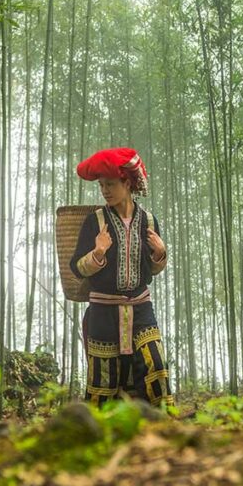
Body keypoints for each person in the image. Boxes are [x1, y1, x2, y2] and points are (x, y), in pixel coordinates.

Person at [69, 147, 174, 407]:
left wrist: (161, 254)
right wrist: (97, 253)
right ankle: (101, 431)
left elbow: (150, 272)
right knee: (104, 378)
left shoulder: (148, 221)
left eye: (110, 184)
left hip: (140, 307)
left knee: (155, 363)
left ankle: (162, 424)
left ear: (127, 183)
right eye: (102, 185)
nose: (105, 190)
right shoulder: (95, 221)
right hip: (103, 311)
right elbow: (76, 267)